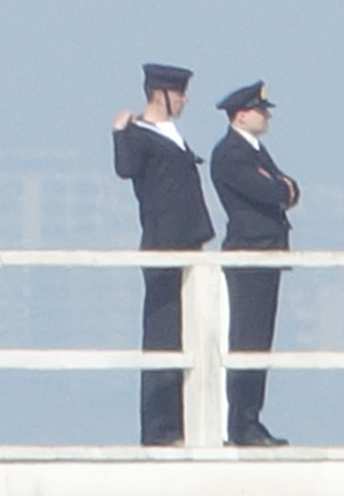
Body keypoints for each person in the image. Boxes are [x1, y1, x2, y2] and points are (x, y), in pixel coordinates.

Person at [113, 62, 215, 445]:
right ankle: (160, 428)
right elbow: (126, 169)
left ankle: (186, 422)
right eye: (180, 93)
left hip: (191, 243)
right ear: (161, 94)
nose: (185, 100)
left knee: (190, 335)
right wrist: (120, 133)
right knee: (163, 336)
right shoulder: (140, 133)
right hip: (164, 242)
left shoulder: (173, 134)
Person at [209, 81, 297, 447]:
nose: (268, 115)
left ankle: (251, 418)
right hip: (249, 252)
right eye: (261, 110)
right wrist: (283, 189)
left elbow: (290, 188)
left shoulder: (256, 150)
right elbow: (274, 191)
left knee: (260, 341)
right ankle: (240, 423)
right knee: (246, 339)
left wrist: (285, 188)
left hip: (268, 252)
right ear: (241, 115)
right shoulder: (231, 153)